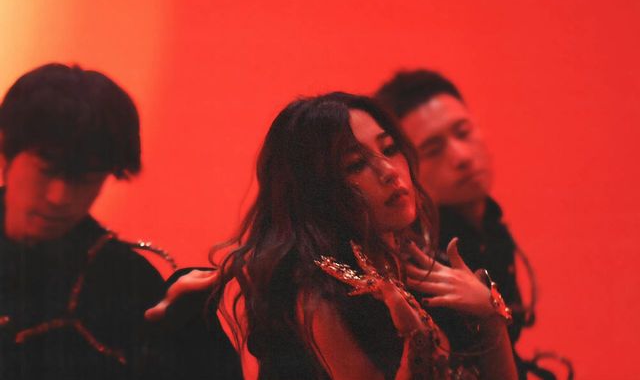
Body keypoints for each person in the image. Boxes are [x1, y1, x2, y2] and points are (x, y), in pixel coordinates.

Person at [200, 93, 517, 379]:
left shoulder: (423, 263)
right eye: (355, 165)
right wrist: (417, 349)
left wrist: (490, 315)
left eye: (389, 149)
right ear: (317, 191)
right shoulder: (319, 299)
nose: (388, 171)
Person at [374, 69, 550, 378]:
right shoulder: (419, 261)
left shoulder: (490, 227)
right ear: (404, 168)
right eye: (433, 149)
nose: (461, 157)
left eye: (463, 132)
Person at [0, 63, 165, 380]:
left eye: (85, 179)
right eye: (46, 170)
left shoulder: (128, 285)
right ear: (6, 152)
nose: (59, 197)